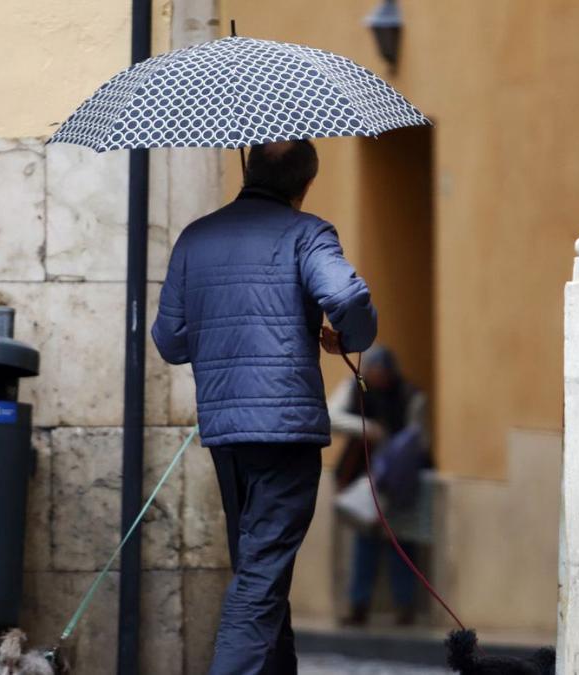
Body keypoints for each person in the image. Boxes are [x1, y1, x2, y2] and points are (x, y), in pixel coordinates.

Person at [152, 139, 377, 675]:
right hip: (287, 433)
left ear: (248, 169)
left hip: (228, 437)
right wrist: (351, 336)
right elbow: (345, 299)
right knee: (260, 579)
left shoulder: (195, 238)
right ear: (306, 184)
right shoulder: (308, 233)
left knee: (261, 573)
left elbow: (170, 340)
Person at [328, 346, 431, 627]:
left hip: (400, 483)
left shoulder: (409, 396)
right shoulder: (357, 390)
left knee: (401, 543)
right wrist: (368, 427)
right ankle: (359, 604)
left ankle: (405, 606)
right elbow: (331, 417)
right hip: (366, 480)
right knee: (365, 544)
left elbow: (419, 441)